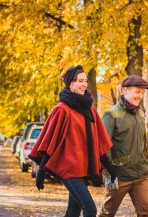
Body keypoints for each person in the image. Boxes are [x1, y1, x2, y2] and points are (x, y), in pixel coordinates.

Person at [29, 65, 117, 217]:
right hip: (69, 169)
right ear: (70, 83)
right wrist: (41, 170)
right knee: (90, 209)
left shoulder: (89, 108)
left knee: (73, 212)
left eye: (85, 81)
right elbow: (50, 140)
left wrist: (109, 166)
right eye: (79, 81)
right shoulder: (62, 109)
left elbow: (97, 139)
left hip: (83, 168)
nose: (84, 84)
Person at [97, 75, 148, 217]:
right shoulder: (111, 114)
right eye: (137, 92)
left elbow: (142, 142)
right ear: (125, 90)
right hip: (119, 176)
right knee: (106, 213)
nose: (140, 96)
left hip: (141, 175)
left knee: (146, 213)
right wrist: (109, 174)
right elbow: (103, 146)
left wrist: (146, 164)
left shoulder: (140, 113)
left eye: (142, 93)